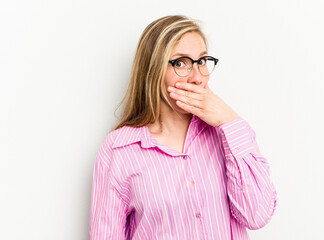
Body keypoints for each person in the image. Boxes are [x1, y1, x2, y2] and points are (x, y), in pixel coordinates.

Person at [89, 15, 277, 240]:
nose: (197, 77)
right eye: (181, 63)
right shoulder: (120, 149)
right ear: (153, 71)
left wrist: (230, 120)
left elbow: (257, 216)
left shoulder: (228, 136)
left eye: (202, 61)